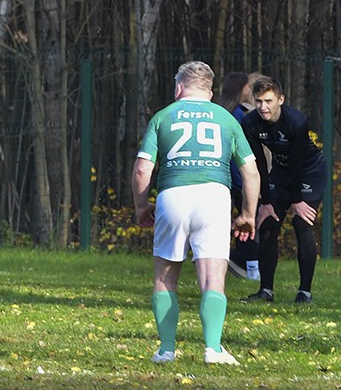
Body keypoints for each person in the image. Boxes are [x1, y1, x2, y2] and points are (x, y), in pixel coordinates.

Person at [132, 61, 259, 366]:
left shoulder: (163, 116)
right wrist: (248, 214)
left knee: (165, 276)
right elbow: (251, 171)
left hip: (173, 194)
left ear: (178, 88)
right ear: (210, 91)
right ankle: (213, 349)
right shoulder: (226, 118)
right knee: (213, 278)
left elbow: (142, 169)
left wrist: (141, 206)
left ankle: (166, 350)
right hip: (214, 196)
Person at [239, 76, 328, 304]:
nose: (263, 107)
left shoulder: (297, 121)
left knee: (301, 222)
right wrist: (266, 202)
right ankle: (265, 291)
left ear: (280, 99)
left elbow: (297, 163)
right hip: (280, 172)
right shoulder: (249, 123)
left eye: (268, 101)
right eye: (259, 101)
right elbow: (259, 163)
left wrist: (297, 200)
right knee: (268, 223)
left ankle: (304, 293)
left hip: (309, 171)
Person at [218, 72, 260, 281]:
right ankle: (250, 267)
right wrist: (243, 181)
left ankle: (237, 261)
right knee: (249, 221)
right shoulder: (238, 116)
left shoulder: (221, 112)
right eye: (247, 87)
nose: (249, 90)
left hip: (225, 177)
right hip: (238, 178)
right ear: (240, 89)